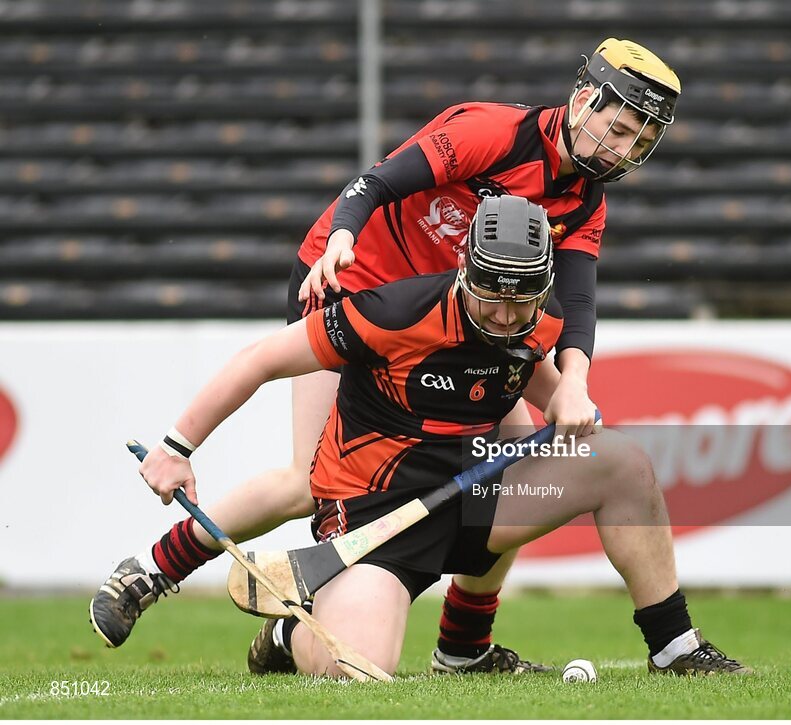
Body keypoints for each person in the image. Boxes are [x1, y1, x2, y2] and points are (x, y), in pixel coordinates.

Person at [90, 38, 682, 673]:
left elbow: (579, 300)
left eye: (640, 143)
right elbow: (375, 182)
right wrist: (342, 237)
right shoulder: (492, 133)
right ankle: (150, 570)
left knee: (515, 452)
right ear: (584, 99)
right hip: (350, 285)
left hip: (460, 312)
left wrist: (574, 382)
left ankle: (464, 646)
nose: (623, 151)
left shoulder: (585, 199)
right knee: (305, 482)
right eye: (621, 130)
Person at [134, 196, 750, 678]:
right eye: (492, 298)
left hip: (473, 498)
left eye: (523, 302)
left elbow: (530, 377)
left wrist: (568, 394)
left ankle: (672, 646)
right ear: (464, 272)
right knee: (359, 670)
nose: (506, 317)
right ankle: (289, 635)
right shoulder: (392, 314)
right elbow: (261, 360)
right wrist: (178, 447)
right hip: (375, 515)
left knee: (622, 463)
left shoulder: (538, 323)